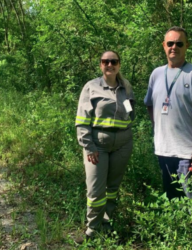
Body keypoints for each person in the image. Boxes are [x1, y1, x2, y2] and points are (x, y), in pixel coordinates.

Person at [144, 26, 192, 200]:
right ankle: (181, 229)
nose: (174, 47)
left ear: (187, 46)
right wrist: (158, 127)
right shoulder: (156, 74)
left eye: (179, 43)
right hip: (163, 151)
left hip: (188, 153)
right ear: (163, 46)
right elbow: (150, 105)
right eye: (170, 43)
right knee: (173, 200)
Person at [75, 51, 135, 240]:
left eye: (113, 61)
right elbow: (82, 119)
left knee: (113, 188)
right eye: (105, 61)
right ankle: (92, 229)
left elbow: (131, 112)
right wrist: (89, 146)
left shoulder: (125, 86)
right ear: (101, 65)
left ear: (119, 64)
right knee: (95, 190)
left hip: (123, 144)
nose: (109, 64)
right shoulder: (91, 87)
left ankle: (108, 222)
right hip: (98, 146)